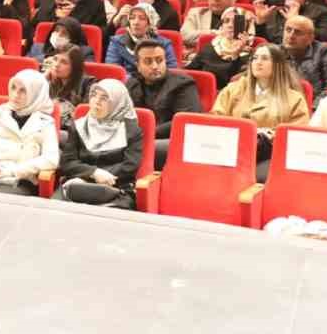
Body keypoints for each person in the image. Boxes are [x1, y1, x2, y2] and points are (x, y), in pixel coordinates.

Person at [212, 42, 310, 179]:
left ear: (277, 65)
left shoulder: (294, 99)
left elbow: (297, 135)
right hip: (231, 147)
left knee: (259, 176)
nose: (258, 62)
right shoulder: (233, 89)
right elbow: (216, 119)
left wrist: (269, 135)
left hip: (271, 154)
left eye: (264, 58)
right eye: (255, 58)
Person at [0, 68, 59, 194]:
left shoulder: (45, 122)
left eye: (23, 90)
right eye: (13, 88)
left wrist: (13, 171)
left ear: (35, 94)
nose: (15, 95)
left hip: (21, 180)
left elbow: (51, 159)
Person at [53, 79, 145, 208]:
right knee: (54, 209)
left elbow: (129, 167)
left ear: (117, 103)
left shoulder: (131, 131)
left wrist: (102, 177)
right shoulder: (79, 126)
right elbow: (67, 162)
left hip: (116, 188)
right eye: (94, 95)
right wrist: (93, 173)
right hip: (79, 184)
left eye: (104, 98)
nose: (96, 101)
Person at [125, 39, 202, 169]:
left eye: (159, 60)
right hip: (139, 138)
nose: (155, 66)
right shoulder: (132, 83)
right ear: (138, 65)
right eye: (148, 62)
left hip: (173, 140)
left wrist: (146, 133)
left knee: (143, 148)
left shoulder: (183, 84)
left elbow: (186, 121)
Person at [278, 14, 327, 102]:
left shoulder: (322, 51)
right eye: (288, 30)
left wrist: (314, 108)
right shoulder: (276, 52)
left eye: (298, 32)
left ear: (310, 38)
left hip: (313, 105)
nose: (291, 36)